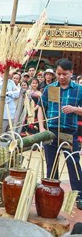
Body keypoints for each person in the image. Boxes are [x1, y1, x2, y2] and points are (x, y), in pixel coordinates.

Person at [38, 58, 82, 210]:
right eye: (59, 74)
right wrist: (42, 128)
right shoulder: (50, 88)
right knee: (51, 163)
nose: (61, 77)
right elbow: (41, 108)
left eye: (65, 74)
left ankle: (79, 196)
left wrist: (75, 109)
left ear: (71, 73)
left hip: (69, 132)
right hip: (51, 132)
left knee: (73, 164)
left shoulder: (79, 89)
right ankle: (52, 193)